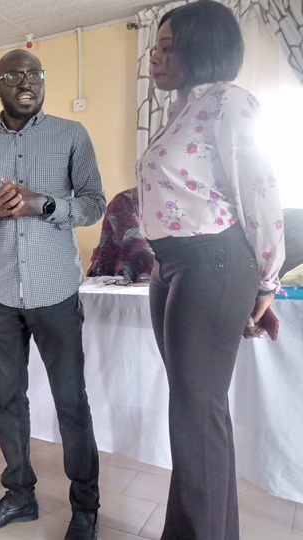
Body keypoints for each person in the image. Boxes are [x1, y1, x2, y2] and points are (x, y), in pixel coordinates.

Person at [138, 2, 285, 538]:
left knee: (196, 416)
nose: (155, 57)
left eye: (167, 46)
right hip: (171, 266)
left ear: (202, 48)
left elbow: (260, 192)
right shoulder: (181, 110)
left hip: (212, 262)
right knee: (196, 415)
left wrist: (266, 281)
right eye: (155, 47)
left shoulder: (229, 101)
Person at [0, 49, 105, 539]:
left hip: (55, 290)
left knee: (71, 402)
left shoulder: (71, 135)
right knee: (8, 402)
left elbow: (94, 205)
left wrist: (45, 204)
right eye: (14, 75)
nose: (27, 81)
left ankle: (86, 508)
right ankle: (19, 497)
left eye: (35, 73)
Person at [87, 187, 154, 283]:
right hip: (115, 277)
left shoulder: (170, 203)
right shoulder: (124, 201)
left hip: (151, 277)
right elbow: (136, 243)